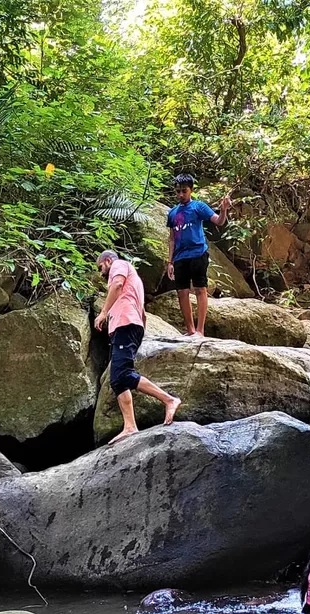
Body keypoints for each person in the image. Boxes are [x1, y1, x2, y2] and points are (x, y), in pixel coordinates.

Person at [94, 250, 181, 444]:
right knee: (117, 380)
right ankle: (130, 426)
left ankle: (169, 400)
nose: (101, 274)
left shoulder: (119, 265)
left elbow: (116, 285)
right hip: (126, 326)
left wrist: (103, 313)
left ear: (107, 261)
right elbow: (142, 312)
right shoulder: (134, 281)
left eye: (101, 268)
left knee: (123, 374)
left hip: (126, 324)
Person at [165, 174, 230, 336]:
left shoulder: (198, 207)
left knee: (200, 289)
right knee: (182, 292)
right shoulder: (172, 213)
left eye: (184, 191)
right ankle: (190, 330)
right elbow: (172, 238)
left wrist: (223, 210)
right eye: (178, 191)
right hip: (180, 257)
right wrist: (170, 261)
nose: (180, 195)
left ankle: (200, 330)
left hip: (198, 253)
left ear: (191, 190)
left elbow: (219, 221)